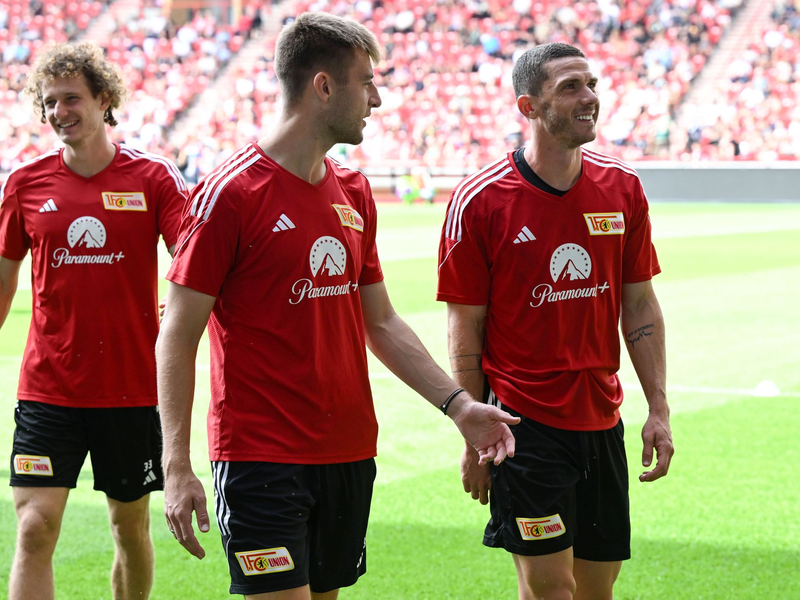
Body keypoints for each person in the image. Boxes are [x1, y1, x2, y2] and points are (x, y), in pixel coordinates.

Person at [155, 12, 519, 600]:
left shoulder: (353, 191)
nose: (377, 97)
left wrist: (459, 406)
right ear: (323, 86)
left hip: (348, 450)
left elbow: (380, 321)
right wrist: (176, 463)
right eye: (366, 81)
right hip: (259, 455)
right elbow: (176, 333)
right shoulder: (231, 193)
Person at [437, 42, 674, 600]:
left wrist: (658, 408)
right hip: (523, 427)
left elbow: (639, 305)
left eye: (590, 83)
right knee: (551, 591)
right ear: (528, 107)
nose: (589, 97)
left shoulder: (623, 187)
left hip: (601, 421)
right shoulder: (481, 200)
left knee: (596, 590)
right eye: (570, 87)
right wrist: (472, 434)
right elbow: (464, 325)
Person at [0, 42, 186, 600]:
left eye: (72, 98)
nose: (60, 112)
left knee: (129, 529)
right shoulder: (25, 184)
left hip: (130, 391)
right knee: (34, 528)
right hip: (48, 390)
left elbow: (198, 266)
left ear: (104, 98)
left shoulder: (153, 178)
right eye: (50, 102)